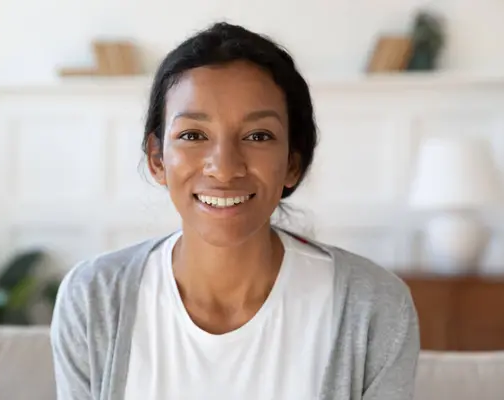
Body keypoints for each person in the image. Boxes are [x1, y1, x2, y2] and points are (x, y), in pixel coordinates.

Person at [50, 22, 420, 400]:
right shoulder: (94, 298)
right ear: (158, 158)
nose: (225, 168)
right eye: (193, 135)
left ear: (293, 162)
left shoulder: (373, 306)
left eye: (258, 136)